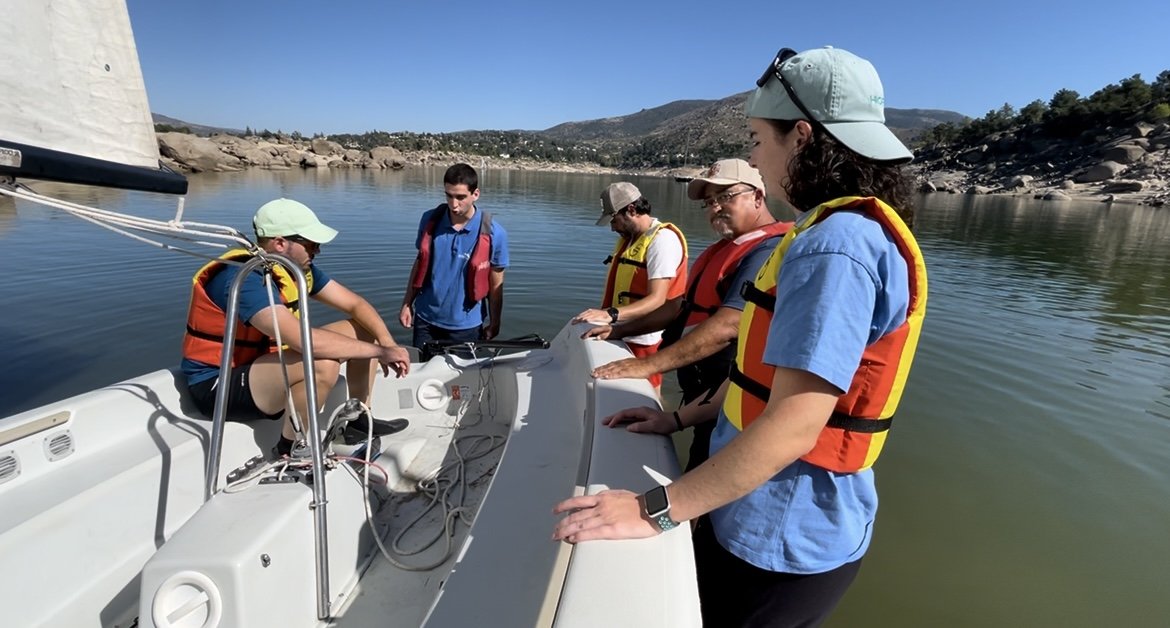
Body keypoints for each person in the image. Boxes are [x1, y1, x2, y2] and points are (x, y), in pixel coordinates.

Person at [553, 46, 928, 627]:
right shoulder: (843, 230)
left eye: (756, 138)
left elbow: (796, 424)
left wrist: (655, 511)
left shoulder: (835, 246)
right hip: (767, 522)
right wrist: (677, 420)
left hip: (780, 538)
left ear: (801, 136)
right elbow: (763, 379)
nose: (754, 153)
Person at [584, 159, 791, 471]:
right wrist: (616, 331)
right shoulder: (726, 248)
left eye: (726, 197)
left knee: (708, 491)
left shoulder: (765, 251)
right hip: (705, 401)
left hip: (734, 407)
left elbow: (728, 325)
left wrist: (647, 365)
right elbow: (677, 308)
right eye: (710, 202)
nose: (715, 208)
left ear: (757, 197)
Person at [182, 198, 413, 457]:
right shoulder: (244, 279)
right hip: (217, 386)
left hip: (261, 366)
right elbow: (303, 342)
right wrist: (379, 353)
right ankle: (290, 447)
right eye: (311, 244)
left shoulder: (293, 270)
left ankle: (357, 421)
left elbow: (356, 305)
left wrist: (386, 342)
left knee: (365, 330)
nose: (317, 251)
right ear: (280, 243)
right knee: (323, 364)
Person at [572, 182, 687, 391]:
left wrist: (611, 314)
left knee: (646, 392)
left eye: (614, 219)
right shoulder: (632, 239)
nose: (612, 227)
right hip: (623, 330)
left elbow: (658, 298)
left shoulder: (662, 241)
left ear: (631, 210)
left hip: (645, 340)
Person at [400, 163, 509, 362]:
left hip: (465, 327)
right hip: (426, 321)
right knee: (424, 380)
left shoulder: (495, 233)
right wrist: (407, 303)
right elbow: (419, 264)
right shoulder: (429, 220)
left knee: (462, 386)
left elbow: (496, 285)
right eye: (449, 196)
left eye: (460, 197)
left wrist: (495, 322)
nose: (454, 204)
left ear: (475, 194)